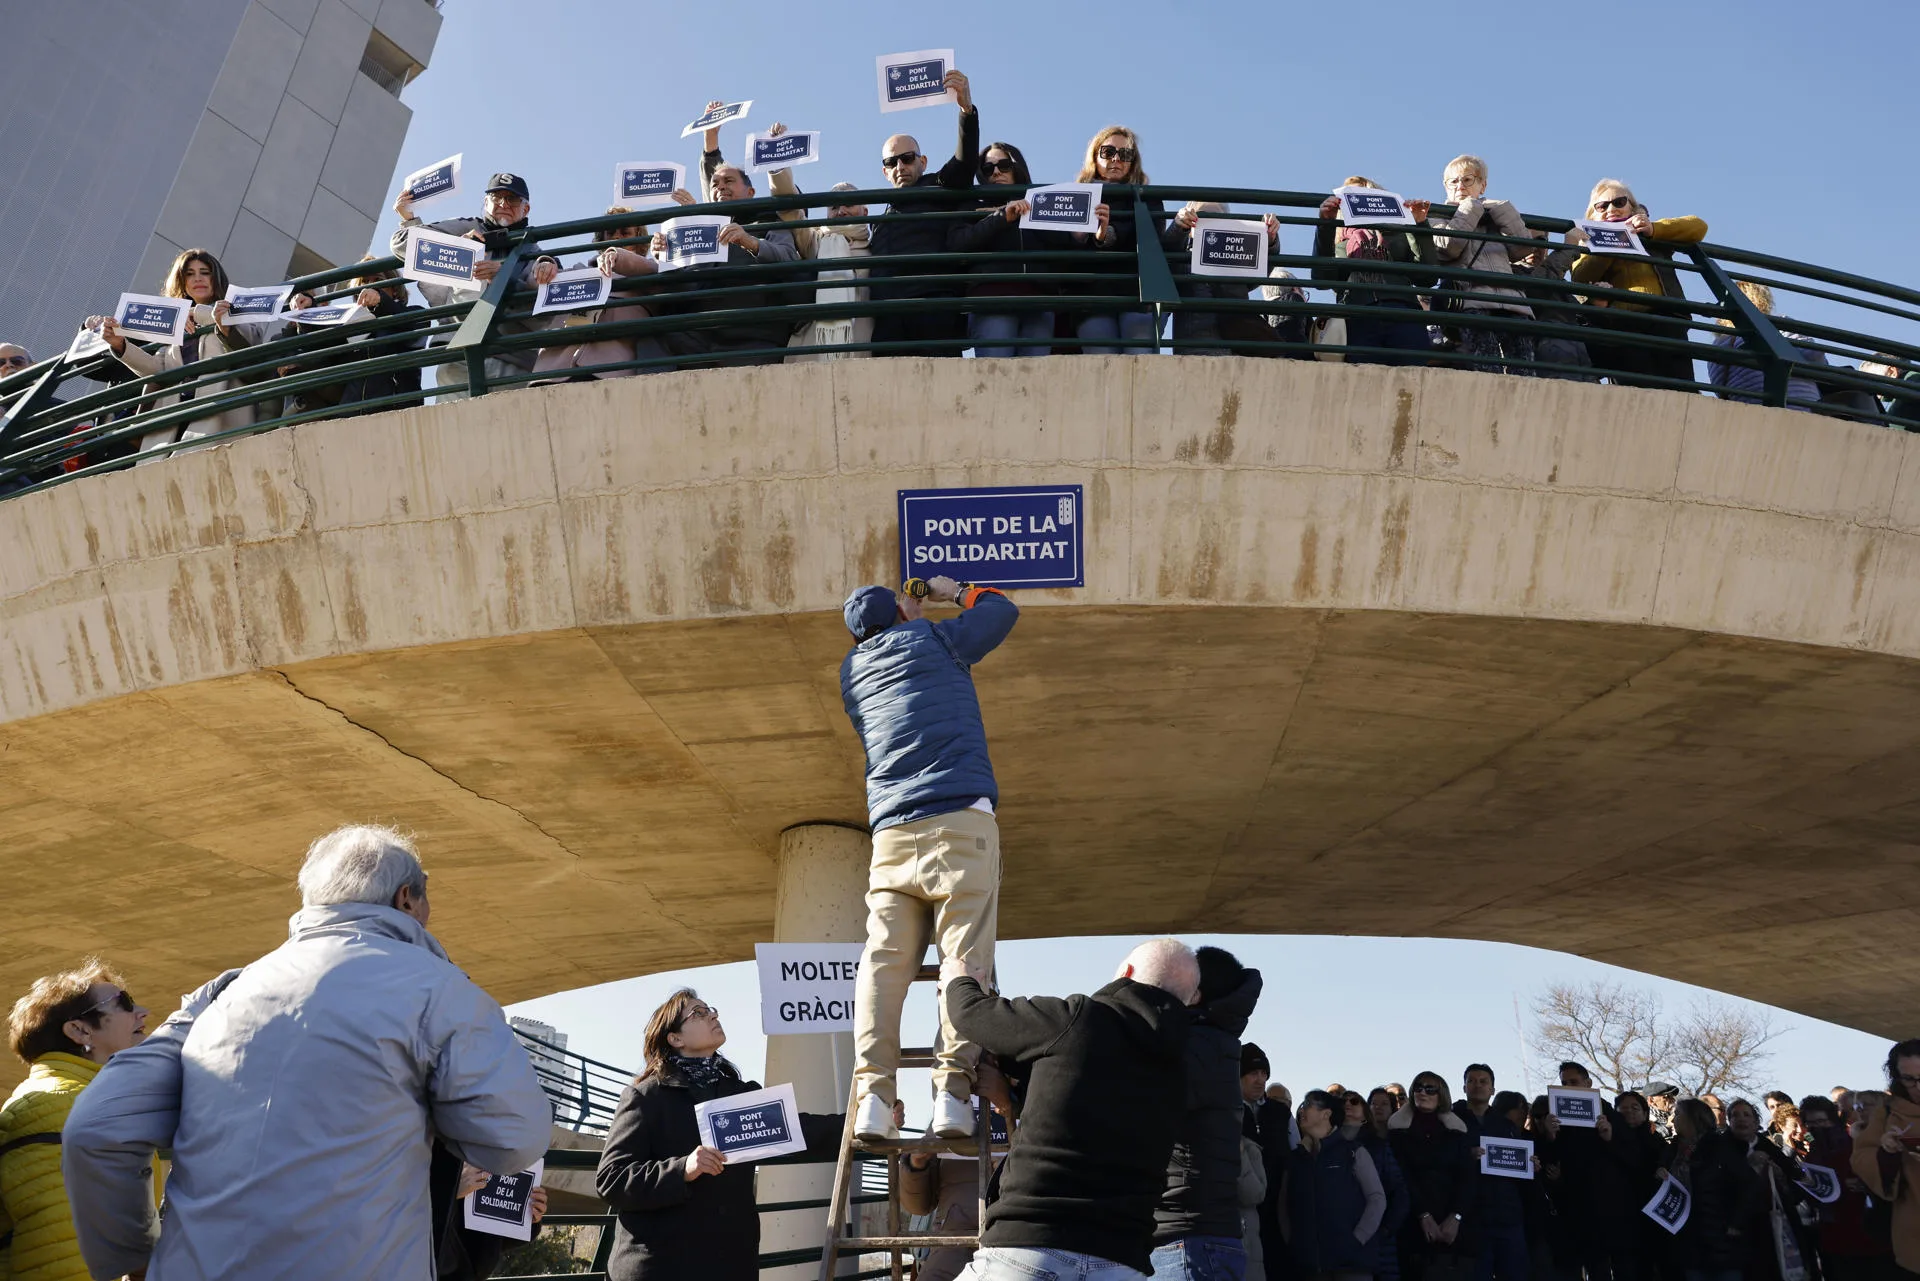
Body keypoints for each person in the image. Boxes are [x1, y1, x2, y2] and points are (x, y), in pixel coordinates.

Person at [61, 824, 553, 1280]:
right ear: (407, 898)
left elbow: (96, 1129)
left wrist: (133, 1259)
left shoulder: (220, 994)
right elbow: (514, 1140)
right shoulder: (443, 992)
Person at [840, 573, 1020, 1141]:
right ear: (900, 612)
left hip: (891, 833)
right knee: (964, 962)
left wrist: (904, 611)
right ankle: (952, 1093)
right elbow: (1001, 612)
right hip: (959, 822)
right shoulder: (935, 640)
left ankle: (872, 1096)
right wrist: (950, 592)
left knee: (884, 963)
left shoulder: (853, 674)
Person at [941, 937, 1199, 1280]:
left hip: (1032, 1246)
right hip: (1123, 1261)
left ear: (1127, 972)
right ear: (1188, 999)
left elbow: (973, 1014)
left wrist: (959, 980)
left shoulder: (1079, 1018)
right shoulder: (1182, 1069)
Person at [595, 988, 841, 1280]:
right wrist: (682, 1169)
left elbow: (802, 1130)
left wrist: (867, 1120)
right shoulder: (646, 1096)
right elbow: (611, 1179)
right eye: (698, 1013)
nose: (712, 1014)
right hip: (661, 1265)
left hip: (729, 1263)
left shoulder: (739, 1094)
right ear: (675, 1039)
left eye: (710, 1009)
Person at [0, 960, 150, 1281]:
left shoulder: (79, 1101)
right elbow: (63, 1246)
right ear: (79, 1030)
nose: (143, 1011)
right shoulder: (55, 1105)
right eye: (123, 1003)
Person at [636, 116, 801, 367]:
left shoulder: (770, 220)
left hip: (752, 335)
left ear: (751, 192)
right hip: (697, 333)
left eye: (729, 181)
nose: (720, 187)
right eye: (715, 184)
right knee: (647, 337)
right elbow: (678, 275)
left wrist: (750, 242)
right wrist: (662, 252)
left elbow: (789, 256)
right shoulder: (698, 226)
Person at [389, 171, 561, 401]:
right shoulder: (466, 228)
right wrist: (458, 249)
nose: (503, 204)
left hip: (513, 360)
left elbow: (544, 316)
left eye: (512, 199)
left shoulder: (538, 255)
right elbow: (402, 244)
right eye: (496, 197)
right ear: (485, 201)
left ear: (525, 209)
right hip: (458, 355)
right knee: (454, 433)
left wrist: (505, 280)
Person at [1154, 946, 1266, 1280]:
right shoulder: (1214, 1043)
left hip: (1186, 1241)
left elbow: (1140, 1110)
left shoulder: (1196, 1047)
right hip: (1199, 1238)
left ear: (1195, 993)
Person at [88, 247, 259, 461]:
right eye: (189, 274)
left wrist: (196, 312)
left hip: (218, 416)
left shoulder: (234, 309)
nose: (198, 278)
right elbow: (158, 369)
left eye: (205, 272)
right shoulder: (175, 323)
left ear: (216, 278)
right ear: (181, 281)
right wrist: (120, 345)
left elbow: (250, 342)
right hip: (173, 418)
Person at [868, 70, 979, 357]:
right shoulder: (879, 217)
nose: (900, 167)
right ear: (884, 171)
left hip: (934, 308)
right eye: (891, 162)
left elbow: (964, 164)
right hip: (889, 316)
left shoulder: (937, 185)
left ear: (923, 161)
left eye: (907, 158)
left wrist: (966, 110)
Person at [1567, 179, 1706, 391]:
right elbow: (1579, 275)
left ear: (1632, 207)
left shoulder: (1647, 233)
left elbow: (1698, 226)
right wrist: (1614, 242)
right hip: (1623, 325)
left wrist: (1653, 229)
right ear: (1593, 214)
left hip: (1667, 320)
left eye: (1619, 202)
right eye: (1602, 206)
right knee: (1637, 392)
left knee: (1682, 391)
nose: (1611, 209)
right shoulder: (1586, 242)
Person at [949, 141, 1073, 357]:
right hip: (992, 302)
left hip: (1039, 303)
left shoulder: (1042, 202)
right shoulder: (972, 205)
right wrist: (1001, 218)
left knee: (1035, 380)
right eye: (988, 168)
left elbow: (1064, 247)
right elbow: (958, 242)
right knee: (996, 377)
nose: (996, 172)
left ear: (1017, 167)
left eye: (1004, 165)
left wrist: (1078, 236)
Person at [531, 206, 674, 380]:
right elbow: (537, 285)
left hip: (609, 370)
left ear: (638, 239)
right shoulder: (579, 270)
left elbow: (656, 273)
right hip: (554, 372)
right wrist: (544, 265)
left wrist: (618, 255)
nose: (616, 237)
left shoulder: (649, 268)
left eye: (625, 232)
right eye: (610, 232)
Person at [1428, 155, 1538, 375]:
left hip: (1512, 302)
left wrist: (1503, 209)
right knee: (1487, 369)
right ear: (1445, 186)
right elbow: (1447, 247)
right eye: (1453, 181)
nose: (1460, 186)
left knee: (1525, 372)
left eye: (1468, 180)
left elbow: (1523, 249)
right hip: (1472, 302)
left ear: (1482, 184)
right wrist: (1471, 207)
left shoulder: (1496, 214)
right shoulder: (1438, 214)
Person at [764, 148, 874, 361]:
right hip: (813, 349)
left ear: (865, 212)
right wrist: (777, 164)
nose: (840, 211)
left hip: (860, 349)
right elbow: (790, 209)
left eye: (849, 205)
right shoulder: (815, 240)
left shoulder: (876, 249)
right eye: (833, 207)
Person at [1313, 178, 1438, 365]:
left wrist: (1418, 225)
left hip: (1403, 313)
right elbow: (1322, 279)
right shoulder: (1340, 244)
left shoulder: (1400, 235)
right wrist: (1325, 225)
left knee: (1412, 379)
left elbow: (1427, 277)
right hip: (1358, 316)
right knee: (1362, 383)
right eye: (1350, 198)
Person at [1283, 1089, 1389, 1281]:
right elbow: (1283, 1206)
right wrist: (1294, 1243)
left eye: (1308, 1104)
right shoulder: (1296, 1159)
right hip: (1310, 1267)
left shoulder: (1353, 1152)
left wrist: (1356, 1240)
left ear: (1327, 1114)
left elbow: (1377, 1199)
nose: (1301, 1110)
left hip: (1352, 1265)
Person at [1075, 126, 1163, 354]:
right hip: (1091, 301)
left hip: (1136, 299)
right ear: (1095, 155)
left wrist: (1106, 234)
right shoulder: (1075, 196)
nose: (1116, 159)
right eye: (1108, 152)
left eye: (1125, 154)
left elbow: (1151, 239)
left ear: (1133, 162)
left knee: (1140, 370)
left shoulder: (1147, 198)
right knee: (1101, 374)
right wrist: (1081, 237)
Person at [1164, 202, 1286, 355]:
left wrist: (1269, 240)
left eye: (1218, 218)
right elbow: (1164, 257)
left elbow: (1260, 271)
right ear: (1190, 226)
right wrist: (1178, 227)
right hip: (1196, 352)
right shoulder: (1183, 259)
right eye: (1202, 217)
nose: (1211, 223)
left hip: (1237, 352)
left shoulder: (1235, 257)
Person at [1390, 1070, 1478, 1281]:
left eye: (1430, 1088)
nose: (1423, 1092)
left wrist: (1456, 1216)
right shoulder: (1398, 1132)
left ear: (1442, 1095)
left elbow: (1467, 1178)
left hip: (1453, 1228)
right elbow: (1402, 1176)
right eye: (1418, 1087)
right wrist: (1423, 1214)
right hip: (1412, 1225)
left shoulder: (1457, 1132)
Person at [1549, 1061, 1630, 1281]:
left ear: (1589, 1083)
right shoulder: (1559, 1120)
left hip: (1612, 1209)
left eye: (1573, 1082)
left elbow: (1631, 1159)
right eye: (1564, 1083)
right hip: (1579, 1210)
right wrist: (1551, 1137)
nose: (1568, 1087)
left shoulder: (1612, 1117)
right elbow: (1554, 1161)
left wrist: (1609, 1139)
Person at [1668, 1097, 1764, 1281]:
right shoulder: (1675, 1152)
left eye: (1678, 1114)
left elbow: (1750, 1185)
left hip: (1722, 1243)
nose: (1673, 1120)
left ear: (1693, 1118)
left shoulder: (1719, 1147)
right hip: (1691, 1245)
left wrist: (1735, 1224)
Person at [1852, 1041, 1920, 1281]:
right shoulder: (1889, 1112)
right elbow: (1862, 1157)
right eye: (1910, 1079)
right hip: (1913, 1235)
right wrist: (1887, 1151)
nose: (1918, 1087)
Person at [1706, 281, 1828, 407]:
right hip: (1798, 408)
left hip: (1750, 415)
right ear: (1763, 300)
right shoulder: (1777, 326)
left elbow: (1720, 389)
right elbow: (1815, 355)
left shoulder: (1719, 347)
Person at [1454, 1065, 1498, 1139]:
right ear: (1464, 1088)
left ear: (1492, 1090)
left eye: (1483, 1081)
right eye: (1471, 1081)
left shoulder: (1503, 1124)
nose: (1477, 1085)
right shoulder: (1450, 1117)